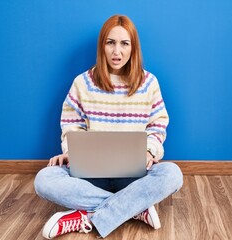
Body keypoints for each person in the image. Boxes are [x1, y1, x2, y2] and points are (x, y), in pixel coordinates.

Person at [34, 15, 183, 239]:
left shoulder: (149, 83)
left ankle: (85, 216)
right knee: (44, 180)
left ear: (133, 48)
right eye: (110, 42)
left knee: (173, 174)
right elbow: (71, 125)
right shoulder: (82, 83)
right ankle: (133, 208)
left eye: (124, 44)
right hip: (89, 175)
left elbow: (157, 126)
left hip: (134, 176)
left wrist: (149, 151)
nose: (117, 51)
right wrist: (71, 153)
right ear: (102, 45)